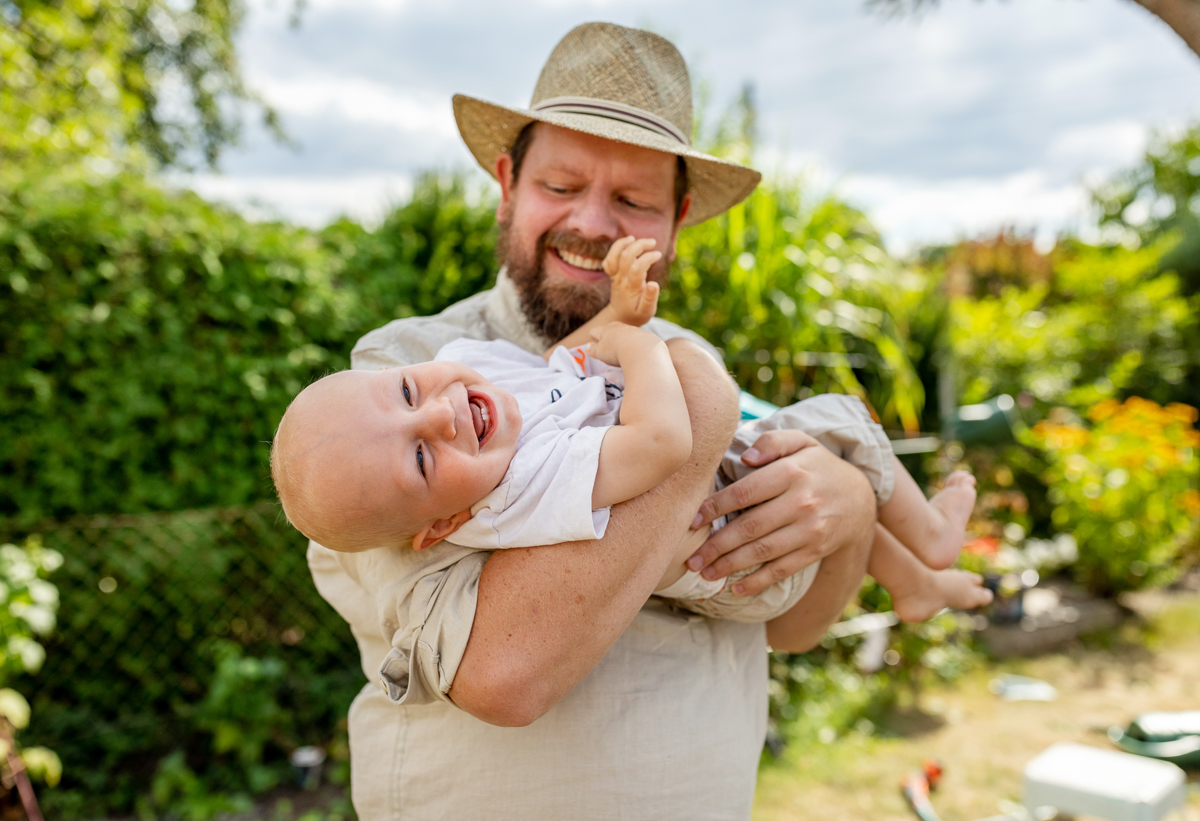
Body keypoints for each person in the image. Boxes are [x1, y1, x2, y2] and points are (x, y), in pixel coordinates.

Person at [308, 22, 882, 819]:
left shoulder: (691, 359)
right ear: (509, 182)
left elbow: (794, 627)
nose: (594, 224)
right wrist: (700, 422)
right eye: (562, 185)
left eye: (634, 200)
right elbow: (505, 671)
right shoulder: (405, 380)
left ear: (678, 219)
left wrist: (851, 510)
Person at [282, 237, 990, 623]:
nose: (437, 414)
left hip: (740, 499)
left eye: (406, 391)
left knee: (832, 466)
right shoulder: (522, 488)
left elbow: (565, 361)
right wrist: (651, 346)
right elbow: (664, 447)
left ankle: (916, 584)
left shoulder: (466, 373)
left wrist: (617, 314)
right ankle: (931, 539)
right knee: (837, 416)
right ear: (443, 525)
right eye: (419, 457)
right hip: (743, 559)